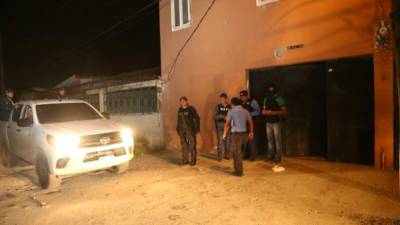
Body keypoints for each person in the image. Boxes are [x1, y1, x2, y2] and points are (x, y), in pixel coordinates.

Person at [223, 97, 254, 176]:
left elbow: (227, 124)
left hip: (236, 135)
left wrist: (224, 133)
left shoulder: (231, 111)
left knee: (236, 154)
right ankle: (239, 169)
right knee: (240, 153)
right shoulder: (245, 111)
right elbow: (250, 121)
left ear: (232, 104)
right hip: (244, 134)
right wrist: (251, 132)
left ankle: (238, 171)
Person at [262, 84, 287, 173]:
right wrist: (265, 112)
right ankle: (270, 156)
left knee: (277, 140)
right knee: (270, 140)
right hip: (268, 122)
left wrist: (273, 112)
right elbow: (263, 111)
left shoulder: (278, 98)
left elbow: (284, 110)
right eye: (269, 89)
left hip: (276, 122)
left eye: (272, 89)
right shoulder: (266, 98)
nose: (271, 91)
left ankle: (277, 158)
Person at [176, 96, 200, 166]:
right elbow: (178, 120)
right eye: (180, 101)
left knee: (192, 145)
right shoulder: (179, 110)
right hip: (182, 130)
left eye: (183, 101)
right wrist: (177, 128)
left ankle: (193, 161)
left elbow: (197, 118)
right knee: (184, 145)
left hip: (190, 130)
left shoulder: (191, 109)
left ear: (186, 101)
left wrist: (197, 128)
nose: (182, 103)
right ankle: (185, 160)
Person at [239, 90, 260, 161]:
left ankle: (252, 156)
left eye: (244, 96)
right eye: (241, 97)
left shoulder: (253, 102)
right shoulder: (240, 103)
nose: (242, 98)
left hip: (252, 123)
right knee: (245, 140)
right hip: (243, 124)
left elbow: (257, 112)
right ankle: (245, 155)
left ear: (247, 96)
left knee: (252, 139)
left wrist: (248, 114)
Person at [214, 93, 231, 161]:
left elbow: (232, 115)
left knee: (228, 141)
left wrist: (228, 118)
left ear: (226, 99)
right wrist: (222, 116)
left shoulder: (230, 107)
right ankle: (219, 156)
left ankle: (227, 155)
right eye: (220, 99)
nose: (222, 100)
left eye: (223, 99)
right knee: (220, 141)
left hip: (228, 126)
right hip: (220, 125)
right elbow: (215, 116)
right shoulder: (218, 107)